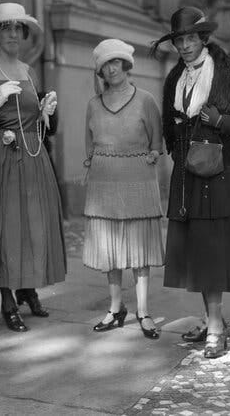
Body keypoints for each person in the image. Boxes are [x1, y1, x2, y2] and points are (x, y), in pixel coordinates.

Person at [151, 7, 230, 358]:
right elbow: (173, 122)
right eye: (179, 40)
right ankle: (212, 319)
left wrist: (220, 118)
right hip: (187, 173)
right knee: (198, 251)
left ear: (203, 39)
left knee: (212, 252)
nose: (184, 46)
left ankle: (216, 327)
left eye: (190, 39)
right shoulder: (175, 79)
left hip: (218, 174)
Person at [0, 3, 66, 332]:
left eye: (17, 28)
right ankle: (8, 299)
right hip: (3, 155)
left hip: (33, 157)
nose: (12, 34)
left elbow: (32, 117)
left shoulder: (27, 69)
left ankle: (27, 288)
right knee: (8, 226)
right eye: (5, 28)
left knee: (32, 223)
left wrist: (46, 111)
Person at [83, 39, 164, 339]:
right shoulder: (93, 104)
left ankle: (143, 311)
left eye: (116, 61)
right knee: (110, 250)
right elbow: (88, 146)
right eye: (106, 64)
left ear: (126, 65)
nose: (112, 68)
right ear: (100, 70)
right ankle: (116, 308)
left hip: (138, 181)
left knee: (139, 249)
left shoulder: (145, 100)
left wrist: (153, 154)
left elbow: (157, 142)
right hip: (103, 183)